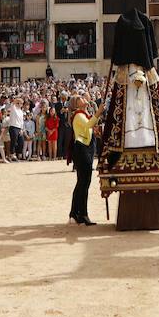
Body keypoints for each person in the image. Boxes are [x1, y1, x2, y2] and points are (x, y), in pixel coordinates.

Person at [69, 94, 101, 225]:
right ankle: (82, 214)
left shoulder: (83, 113)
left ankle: (75, 213)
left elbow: (89, 127)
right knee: (84, 182)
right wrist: (99, 112)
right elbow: (89, 124)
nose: (84, 99)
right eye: (80, 98)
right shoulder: (78, 114)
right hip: (82, 149)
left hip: (85, 148)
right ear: (77, 104)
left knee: (82, 183)